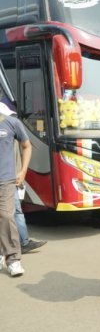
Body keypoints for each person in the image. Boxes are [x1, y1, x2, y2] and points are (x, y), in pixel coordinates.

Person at [0, 102, 32, 277]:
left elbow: (27, 145)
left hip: (5, 180)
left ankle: (13, 259)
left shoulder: (11, 122)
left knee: (6, 216)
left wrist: (23, 170)